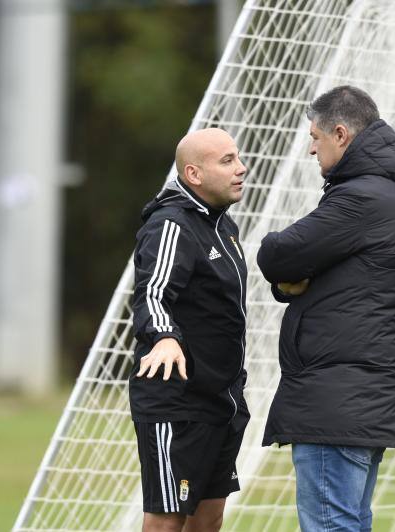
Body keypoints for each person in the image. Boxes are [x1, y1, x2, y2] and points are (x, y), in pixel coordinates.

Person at [257, 86, 395, 531]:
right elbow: (314, 276)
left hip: (337, 403)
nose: (311, 149)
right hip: (362, 397)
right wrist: (294, 282)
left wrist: (289, 276)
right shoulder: (390, 195)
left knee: (332, 525)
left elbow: (277, 254)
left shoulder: (361, 199)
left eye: (315, 137)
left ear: (340, 133)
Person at [129, 128, 250, 532]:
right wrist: (164, 336)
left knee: (209, 515)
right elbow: (152, 294)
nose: (242, 168)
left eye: (238, 157)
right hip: (177, 401)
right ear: (194, 174)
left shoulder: (223, 227)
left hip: (222, 397)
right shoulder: (171, 225)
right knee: (167, 520)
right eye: (227, 161)